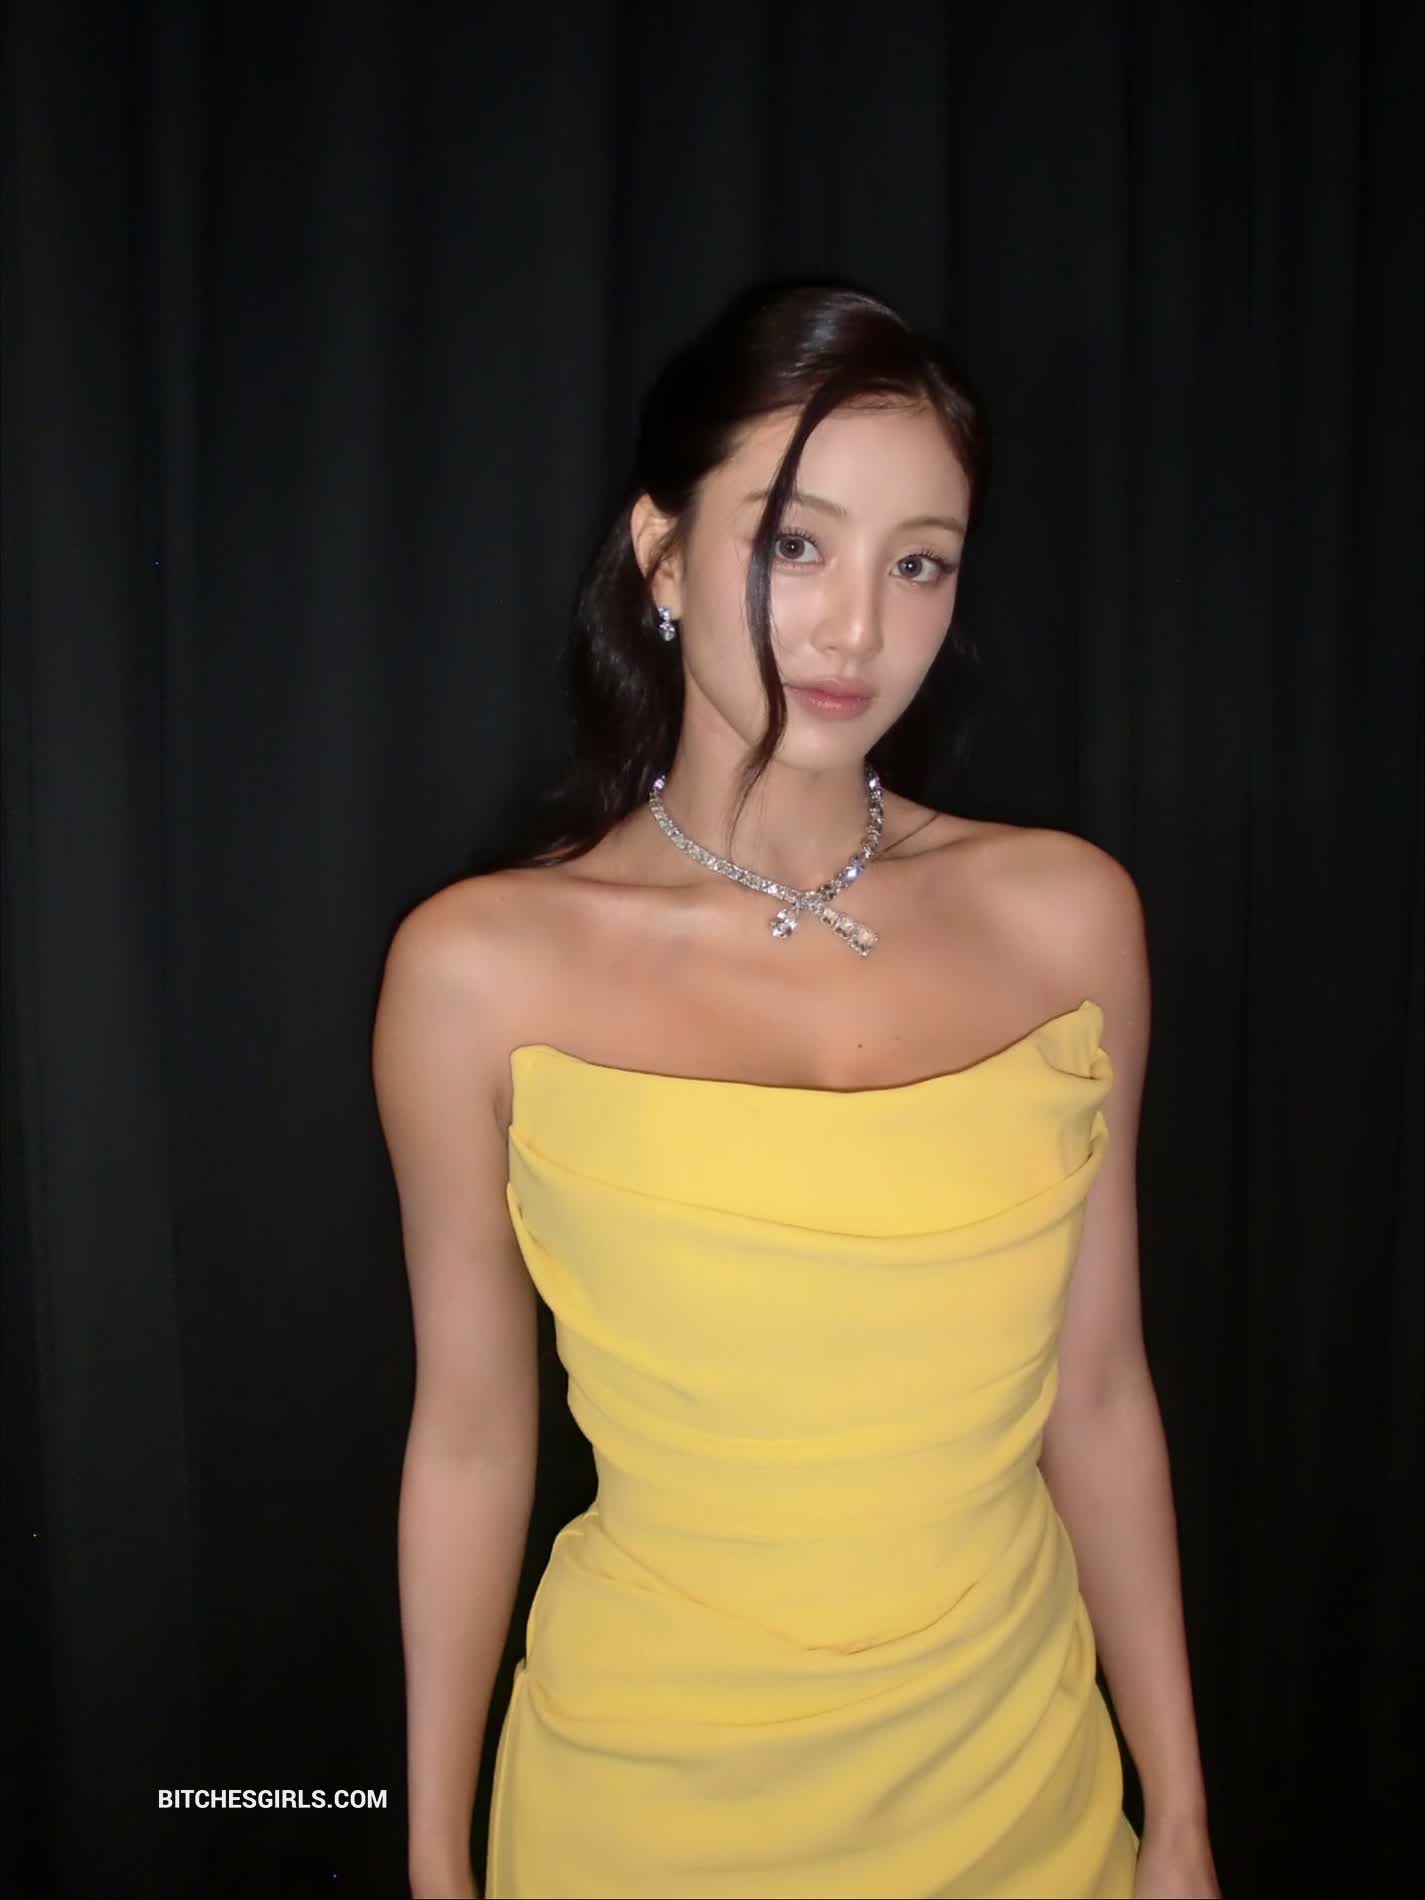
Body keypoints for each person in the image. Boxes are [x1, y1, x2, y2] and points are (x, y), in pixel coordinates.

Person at [371, 281, 1221, 1900]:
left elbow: (1098, 1392)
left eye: (918, 563)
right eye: (793, 543)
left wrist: (1177, 1812)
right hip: (646, 1811)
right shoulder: (477, 972)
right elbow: (471, 1440)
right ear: (662, 552)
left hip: (1022, 1801)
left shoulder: (1065, 920)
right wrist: (431, 1857)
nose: (853, 632)